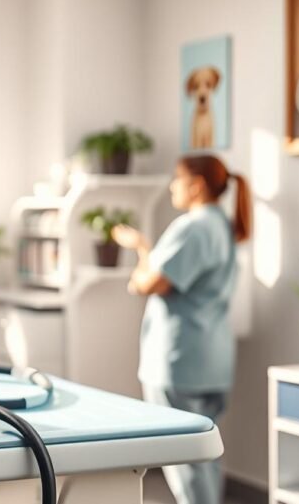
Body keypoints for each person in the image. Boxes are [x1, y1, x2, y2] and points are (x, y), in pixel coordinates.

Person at [112, 154, 251, 504]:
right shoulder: (222, 226)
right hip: (212, 359)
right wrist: (146, 248)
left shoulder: (193, 227)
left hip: (179, 360)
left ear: (197, 185)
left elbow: (148, 283)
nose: (172, 186)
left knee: (183, 458)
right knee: (204, 455)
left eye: (176, 178)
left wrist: (141, 254)